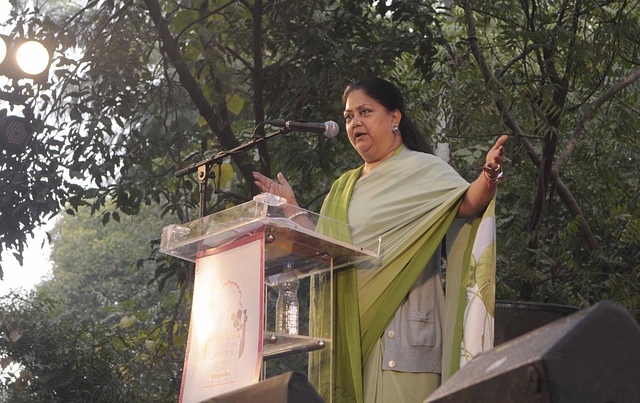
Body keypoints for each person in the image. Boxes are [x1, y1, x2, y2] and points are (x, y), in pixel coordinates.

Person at [253, 77, 507, 403]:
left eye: (365, 111)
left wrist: (488, 176)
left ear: (394, 117)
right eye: (348, 116)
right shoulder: (343, 188)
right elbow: (327, 249)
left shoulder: (423, 169)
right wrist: (292, 210)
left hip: (403, 339)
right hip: (348, 337)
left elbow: (468, 202)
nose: (355, 122)